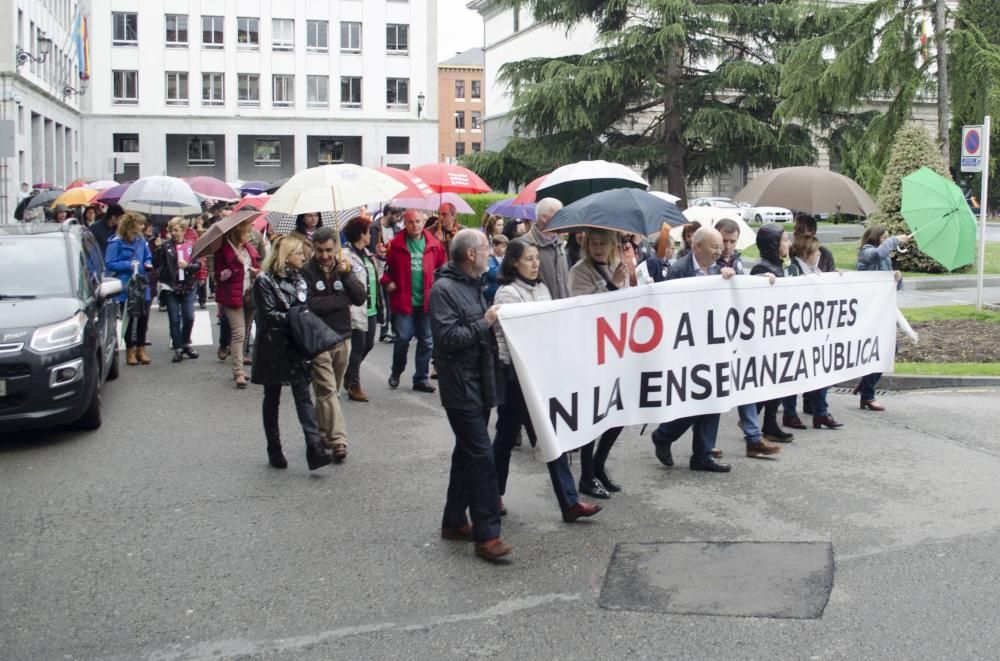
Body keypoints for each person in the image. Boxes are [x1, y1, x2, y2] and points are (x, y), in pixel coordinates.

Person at [492, 240, 602, 523]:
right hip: (517, 376)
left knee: (553, 436)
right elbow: (512, 336)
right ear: (514, 262)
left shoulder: (542, 289)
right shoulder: (507, 293)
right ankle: (493, 494)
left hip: (542, 374)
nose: (534, 263)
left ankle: (569, 502)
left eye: (536, 258)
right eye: (528, 259)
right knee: (505, 440)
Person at [431, 229, 512, 561]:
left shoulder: (473, 285)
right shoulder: (443, 290)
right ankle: (487, 534)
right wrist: (485, 322)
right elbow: (448, 338)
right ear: (470, 255)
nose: (490, 253)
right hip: (460, 386)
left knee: (466, 455)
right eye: (485, 249)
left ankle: (453, 520)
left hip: (479, 383)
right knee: (482, 457)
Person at [651, 227, 735, 472]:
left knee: (715, 397)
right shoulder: (679, 271)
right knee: (695, 399)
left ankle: (702, 454)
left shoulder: (721, 269)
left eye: (721, 246)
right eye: (714, 246)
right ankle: (665, 435)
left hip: (714, 344)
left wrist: (729, 277)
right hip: (688, 346)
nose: (720, 251)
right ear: (697, 246)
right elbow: (669, 309)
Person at [252, 235, 334, 472]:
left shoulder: (299, 279)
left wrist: (301, 318)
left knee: (303, 395)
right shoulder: (264, 281)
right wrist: (295, 317)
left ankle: (314, 448)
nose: (303, 257)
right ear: (286, 256)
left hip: (296, 345)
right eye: (299, 253)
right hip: (272, 347)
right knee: (272, 397)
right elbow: (267, 316)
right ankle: (274, 447)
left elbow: (305, 306)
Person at [707, 219, 783, 458]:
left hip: (736, 335)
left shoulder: (737, 262)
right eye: (724, 241)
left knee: (745, 383)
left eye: (732, 241)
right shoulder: (708, 264)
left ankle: (753, 437)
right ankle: (693, 441)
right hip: (712, 337)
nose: (728, 246)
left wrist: (763, 281)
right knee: (714, 393)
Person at [569, 228, 630, 497]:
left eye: (602, 243)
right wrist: (613, 285)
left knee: (619, 411)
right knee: (593, 415)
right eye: (593, 243)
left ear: (612, 245)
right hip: (590, 349)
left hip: (617, 347)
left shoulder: (618, 266)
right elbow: (586, 308)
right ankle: (586, 475)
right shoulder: (579, 271)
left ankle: (599, 465)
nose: (597, 248)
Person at [302, 226, 366, 462]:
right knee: (327, 390)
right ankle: (339, 440)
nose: (325, 255)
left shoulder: (344, 268)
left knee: (330, 392)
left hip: (341, 336)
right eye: (320, 251)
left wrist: (347, 276)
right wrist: (340, 300)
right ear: (314, 249)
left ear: (336, 248)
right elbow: (309, 304)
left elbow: (359, 297)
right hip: (317, 339)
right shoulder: (306, 271)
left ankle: (321, 432)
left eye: (329, 250)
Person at [381, 208, 447, 393]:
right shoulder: (395, 245)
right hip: (404, 301)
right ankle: (396, 371)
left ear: (423, 222)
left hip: (427, 302)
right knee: (402, 339)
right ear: (405, 223)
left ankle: (421, 378)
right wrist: (388, 283)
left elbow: (444, 269)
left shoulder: (435, 245)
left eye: (418, 221)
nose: (415, 225)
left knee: (426, 341)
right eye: (411, 222)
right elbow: (383, 271)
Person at [787, 235, 844, 430]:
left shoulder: (815, 269)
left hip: (817, 329)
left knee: (822, 370)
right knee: (794, 373)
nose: (820, 254)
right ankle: (790, 413)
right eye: (816, 251)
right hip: (798, 331)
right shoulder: (793, 269)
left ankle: (821, 412)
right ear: (806, 253)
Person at [854, 225, 912, 411]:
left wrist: (898, 278)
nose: (887, 240)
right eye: (884, 237)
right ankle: (868, 394)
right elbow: (875, 256)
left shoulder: (885, 256)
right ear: (875, 237)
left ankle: (866, 385)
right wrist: (896, 240)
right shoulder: (867, 252)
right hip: (870, 309)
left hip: (884, 309)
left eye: (889, 238)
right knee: (876, 349)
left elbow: (893, 286)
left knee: (888, 349)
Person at [749, 223, 796, 443]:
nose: (788, 243)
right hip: (767, 337)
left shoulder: (777, 265)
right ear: (773, 244)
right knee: (767, 383)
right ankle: (757, 422)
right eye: (784, 239)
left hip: (778, 334)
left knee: (777, 382)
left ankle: (768, 423)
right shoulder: (762, 269)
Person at [214, 219, 260, 388]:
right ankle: (238, 371)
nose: (249, 235)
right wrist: (235, 267)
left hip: (249, 295)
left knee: (246, 332)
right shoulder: (224, 251)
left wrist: (255, 271)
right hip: (232, 297)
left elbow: (257, 266)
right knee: (239, 333)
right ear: (237, 233)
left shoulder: (249, 249)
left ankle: (239, 366)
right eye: (246, 232)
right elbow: (220, 276)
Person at [105, 212, 154, 366]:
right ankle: (130, 350)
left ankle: (141, 349)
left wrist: (147, 263)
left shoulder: (141, 240)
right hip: (126, 284)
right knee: (129, 317)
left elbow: (147, 256)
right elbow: (110, 263)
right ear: (131, 225)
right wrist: (129, 264)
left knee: (143, 318)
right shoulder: (116, 242)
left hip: (141, 282)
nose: (143, 227)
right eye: (140, 224)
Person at [344, 216, 383, 403]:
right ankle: (354, 384)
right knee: (359, 347)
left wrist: (381, 257)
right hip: (357, 308)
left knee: (369, 344)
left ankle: (349, 373)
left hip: (372, 307)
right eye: (368, 232)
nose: (370, 235)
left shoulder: (368, 253)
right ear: (361, 234)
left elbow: (377, 276)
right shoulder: (346, 256)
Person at [154, 217, 202, 363]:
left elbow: (198, 265)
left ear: (183, 230)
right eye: (171, 230)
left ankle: (186, 342)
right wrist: (157, 248)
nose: (174, 233)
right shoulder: (165, 245)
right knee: (174, 318)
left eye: (177, 230)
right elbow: (155, 264)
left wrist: (187, 266)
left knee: (189, 317)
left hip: (187, 285)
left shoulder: (191, 245)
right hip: (170, 286)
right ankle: (178, 347)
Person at [517, 198, 569, 299]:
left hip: (565, 309)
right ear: (544, 218)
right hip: (541, 310)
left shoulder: (560, 243)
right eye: (559, 215)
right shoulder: (523, 245)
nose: (563, 219)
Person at [483, 234, 508, 305]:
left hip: (503, 293)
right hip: (492, 295)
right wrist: (504, 263)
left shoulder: (505, 258)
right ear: (494, 246)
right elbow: (493, 274)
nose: (505, 249)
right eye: (503, 246)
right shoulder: (489, 259)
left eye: (506, 246)